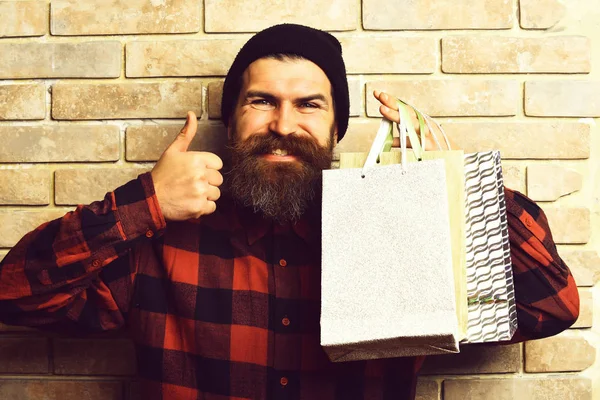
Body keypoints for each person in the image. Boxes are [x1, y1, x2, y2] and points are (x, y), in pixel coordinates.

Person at [0, 24, 579, 400]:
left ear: (335, 128)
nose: (282, 124)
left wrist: (460, 200)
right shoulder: (160, 242)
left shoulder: (403, 237)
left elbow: (549, 306)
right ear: (232, 120)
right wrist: (144, 202)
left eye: (309, 104)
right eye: (261, 101)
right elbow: (15, 296)